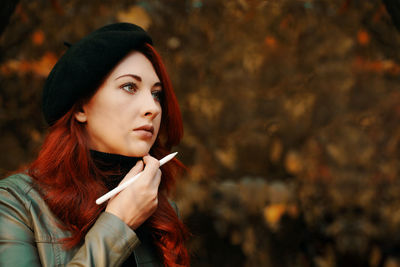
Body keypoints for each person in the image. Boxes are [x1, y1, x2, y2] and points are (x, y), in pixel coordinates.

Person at [0, 23, 190, 266]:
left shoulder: (160, 211)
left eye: (156, 94)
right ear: (80, 108)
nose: (152, 108)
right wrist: (119, 224)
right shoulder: (15, 204)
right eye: (129, 86)